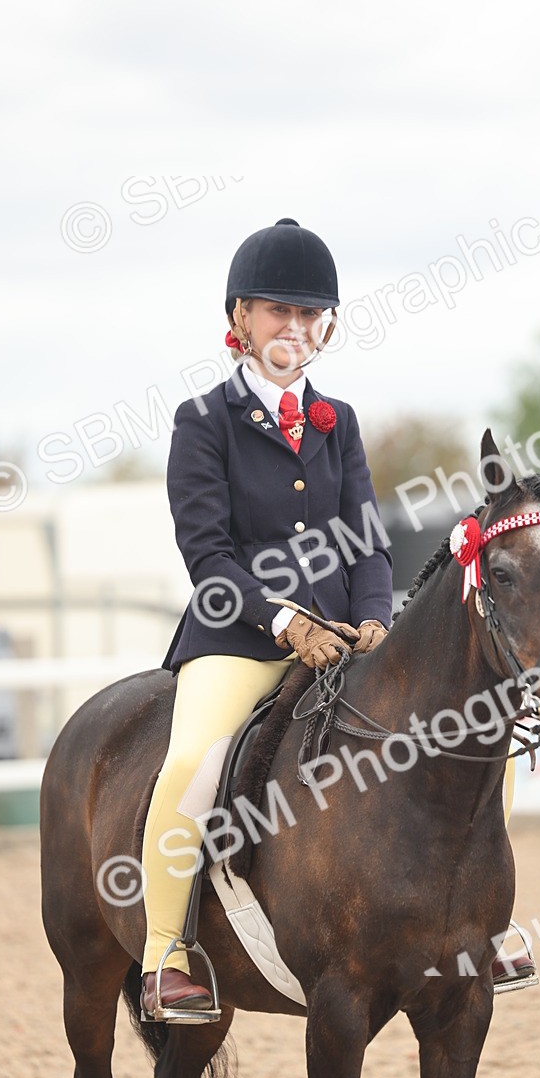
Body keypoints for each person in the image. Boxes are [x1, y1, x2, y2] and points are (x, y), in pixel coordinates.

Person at [140, 218, 393, 1020]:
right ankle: (164, 954)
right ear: (241, 319)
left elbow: (368, 544)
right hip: (237, 636)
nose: (296, 328)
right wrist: (289, 624)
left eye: (309, 314)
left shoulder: (339, 421)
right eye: (279, 312)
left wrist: (377, 620)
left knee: (459, 726)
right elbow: (208, 558)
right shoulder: (202, 421)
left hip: (345, 636)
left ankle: (481, 928)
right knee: (192, 768)